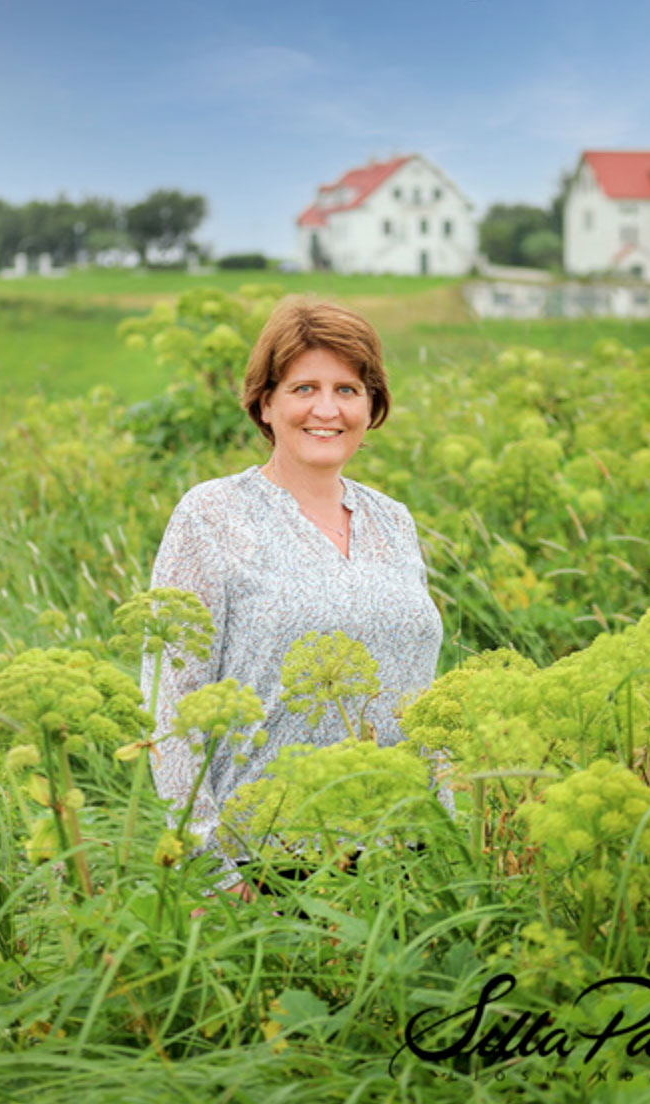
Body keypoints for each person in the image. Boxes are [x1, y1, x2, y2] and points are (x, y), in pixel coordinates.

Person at [141, 298, 443, 898]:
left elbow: (422, 694)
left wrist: (451, 832)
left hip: (401, 857)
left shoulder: (393, 520)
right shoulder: (211, 515)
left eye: (348, 389)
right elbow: (168, 700)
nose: (327, 409)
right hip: (266, 864)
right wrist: (212, 874)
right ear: (266, 402)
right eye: (304, 387)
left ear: (371, 405)